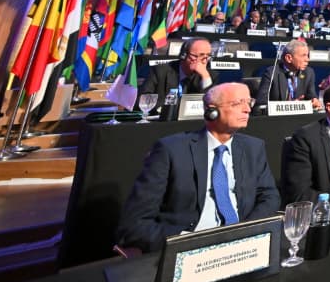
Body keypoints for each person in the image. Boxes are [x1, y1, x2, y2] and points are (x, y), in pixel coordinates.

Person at [115, 83, 279, 253]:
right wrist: (185, 242)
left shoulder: (253, 147)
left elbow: (269, 197)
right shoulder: (171, 150)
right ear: (211, 111)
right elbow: (135, 224)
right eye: (237, 103)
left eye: (249, 102)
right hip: (190, 247)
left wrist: (246, 231)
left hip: (241, 247)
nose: (247, 109)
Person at [136, 37, 216, 113]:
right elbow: (142, 100)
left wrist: (205, 76)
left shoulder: (209, 76)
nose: (204, 61)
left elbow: (212, 105)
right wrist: (169, 107)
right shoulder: (160, 71)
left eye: (207, 57)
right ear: (184, 55)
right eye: (199, 56)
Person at [257, 40, 319, 109]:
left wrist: (314, 100)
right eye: (303, 56)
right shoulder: (271, 73)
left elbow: (311, 95)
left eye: (307, 55)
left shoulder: (309, 73)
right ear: (288, 58)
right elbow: (260, 106)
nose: (307, 59)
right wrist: (290, 106)